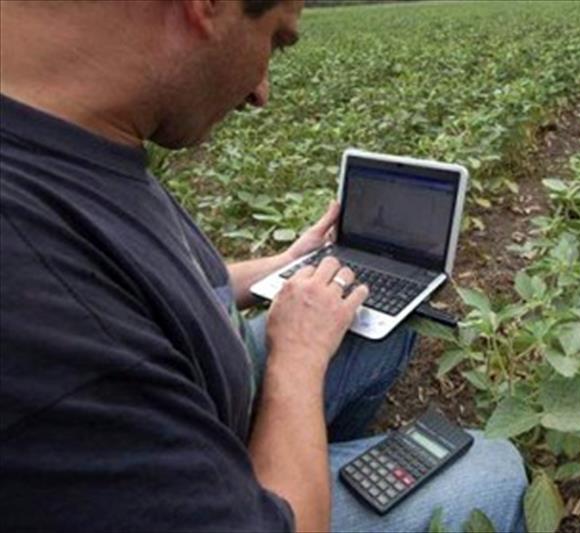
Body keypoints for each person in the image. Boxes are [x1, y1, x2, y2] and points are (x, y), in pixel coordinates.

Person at [0, 0, 528, 531]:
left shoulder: (72, 133)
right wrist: (294, 364)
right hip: (248, 492)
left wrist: (285, 265)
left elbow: (150, 285)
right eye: (275, 40)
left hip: (203, 385)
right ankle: (311, 472)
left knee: (380, 319)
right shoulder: (36, 297)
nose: (261, 93)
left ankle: (314, 453)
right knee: (496, 471)